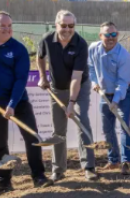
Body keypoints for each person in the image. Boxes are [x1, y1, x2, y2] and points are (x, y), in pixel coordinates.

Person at [0, 11, 52, 196]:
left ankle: (39, 177)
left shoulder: (19, 49)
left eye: (9, 26)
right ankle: (4, 182)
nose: (6, 29)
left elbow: (21, 79)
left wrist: (12, 104)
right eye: (3, 26)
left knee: (33, 138)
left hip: (18, 101)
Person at [37, 10, 97, 182]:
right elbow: (40, 57)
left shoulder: (80, 44)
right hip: (56, 87)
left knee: (82, 121)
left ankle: (89, 167)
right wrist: (42, 77)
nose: (67, 29)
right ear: (56, 25)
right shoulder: (47, 39)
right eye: (63, 25)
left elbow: (76, 78)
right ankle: (58, 169)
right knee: (58, 129)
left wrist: (71, 102)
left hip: (80, 86)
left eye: (71, 26)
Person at [88, 21, 130, 175]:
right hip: (104, 93)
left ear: (118, 35)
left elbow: (123, 82)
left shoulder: (124, 56)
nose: (111, 37)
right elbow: (90, 67)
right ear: (100, 36)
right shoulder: (93, 49)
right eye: (107, 34)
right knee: (107, 129)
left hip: (123, 94)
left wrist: (115, 101)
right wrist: (94, 81)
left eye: (114, 34)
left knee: (124, 126)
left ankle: (125, 161)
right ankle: (113, 160)